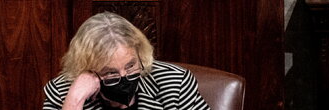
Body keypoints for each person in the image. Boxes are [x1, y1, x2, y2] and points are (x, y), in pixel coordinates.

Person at [42, 12, 209, 110]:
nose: (124, 78)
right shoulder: (63, 92)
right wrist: (75, 100)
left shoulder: (175, 84)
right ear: (87, 69)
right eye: (110, 73)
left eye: (130, 66)